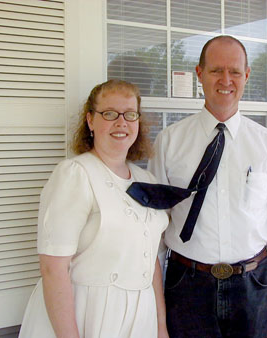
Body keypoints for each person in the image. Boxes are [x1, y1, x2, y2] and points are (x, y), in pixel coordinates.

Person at [148, 36, 267, 338]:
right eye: (216, 70)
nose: (226, 80)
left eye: (235, 71)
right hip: (186, 285)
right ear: (199, 73)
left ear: (246, 76)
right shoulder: (169, 142)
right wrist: (153, 300)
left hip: (253, 285)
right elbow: (154, 229)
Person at [19, 79, 169, 338]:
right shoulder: (76, 175)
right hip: (88, 313)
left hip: (140, 316)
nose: (121, 122)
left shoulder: (147, 181)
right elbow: (53, 268)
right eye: (109, 114)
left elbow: (150, 259)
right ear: (90, 121)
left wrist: (160, 326)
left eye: (130, 114)